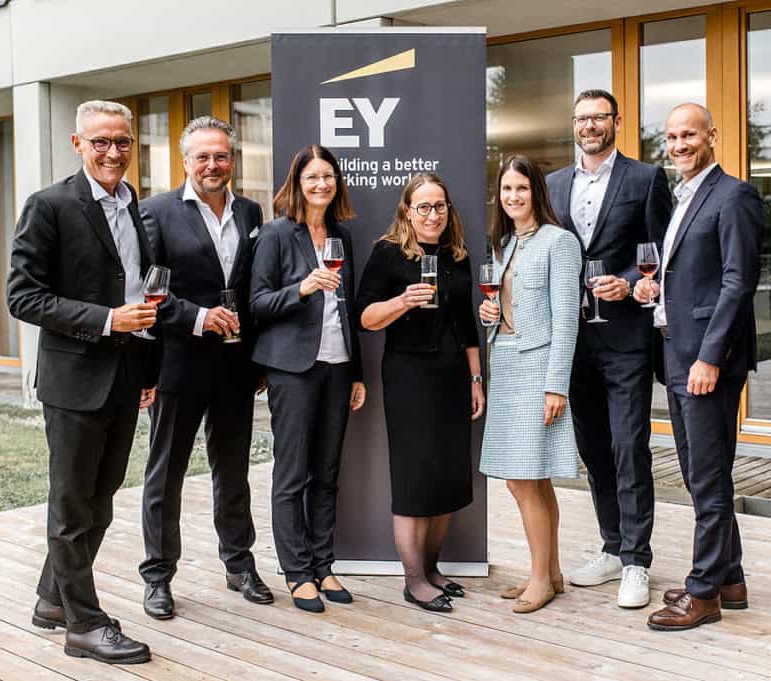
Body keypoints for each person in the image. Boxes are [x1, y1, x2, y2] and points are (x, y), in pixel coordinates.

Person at [7, 100, 160, 665]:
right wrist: (105, 320)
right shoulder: (48, 206)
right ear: (78, 144)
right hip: (74, 380)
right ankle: (84, 625)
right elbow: (22, 296)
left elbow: (131, 287)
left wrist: (145, 368)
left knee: (100, 502)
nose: (113, 152)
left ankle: (54, 600)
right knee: (72, 507)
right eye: (100, 142)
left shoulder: (129, 202)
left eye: (122, 142)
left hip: (123, 376)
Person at [634, 103, 762, 631]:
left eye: (689, 134)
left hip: (707, 360)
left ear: (713, 135)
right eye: (671, 136)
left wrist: (710, 356)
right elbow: (695, 277)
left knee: (708, 478)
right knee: (696, 474)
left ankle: (703, 591)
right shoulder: (684, 196)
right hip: (678, 353)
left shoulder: (734, 195)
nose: (679, 144)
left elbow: (738, 282)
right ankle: (729, 578)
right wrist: (653, 287)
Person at [137, 116, 270, 620]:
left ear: (233, 160)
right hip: (179, 363)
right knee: (165, 474)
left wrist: (257, 357)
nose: (213, 165)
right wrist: (196, 317)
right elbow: (148, 292)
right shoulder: (155, 213)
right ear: (185, 160)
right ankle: (158, 576)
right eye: (203, 156)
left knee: (233, 471)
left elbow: (253, 286)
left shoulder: (252, 211)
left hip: (235, 364)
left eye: (222, 156)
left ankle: (239, 564)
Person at [546, 89, 672, 609]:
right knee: (594, 449)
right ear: (573, 124)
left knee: (628, 446)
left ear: (616, 122)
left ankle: (638, 561)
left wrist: (627, 281)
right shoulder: (553, 184)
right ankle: (612, 547)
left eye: (599, 117)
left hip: (625, 338)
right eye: (582, 118)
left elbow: (663, 251)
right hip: (573, 339)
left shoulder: (645, 179)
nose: (590, 125)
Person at [357, 172, 485, 613]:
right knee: (415, 477)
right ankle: (413, 580)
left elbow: (467, 324)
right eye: (424, 207)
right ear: (407, 212)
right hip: (410, 377)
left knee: (448, 474)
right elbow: (365, 317)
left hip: (451, 375)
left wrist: (475, 378)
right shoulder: (388, 253)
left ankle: (432, 569)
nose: (433, 215)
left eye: (440, 206)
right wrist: (401, 303)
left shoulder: (456, 255)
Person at [249, 144, 367, 613]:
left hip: (338, 367)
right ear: (297, 183)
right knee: (292, 474)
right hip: (292, 369)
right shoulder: (277, 234)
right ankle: (297, 572)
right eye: (312, 177)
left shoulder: (342, 237)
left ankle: (324, 564)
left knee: (328, 473)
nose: (322, 184)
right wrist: (302, 287)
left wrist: (357, 372)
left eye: (328, 177)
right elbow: (256, 303)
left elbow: (349, 310)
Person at [478, 154, 582, 615]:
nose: (513, 196)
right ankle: (550, 572)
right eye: (506, 190)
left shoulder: (559, 243)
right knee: (532, 482)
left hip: (538, 370)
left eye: (521, 188)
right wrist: (490, 317)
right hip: (507, 365)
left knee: (524, 481)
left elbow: (567, 321)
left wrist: (556, 385)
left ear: (536, 191)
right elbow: (506, 306)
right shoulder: (503, 244)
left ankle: (539, 578)